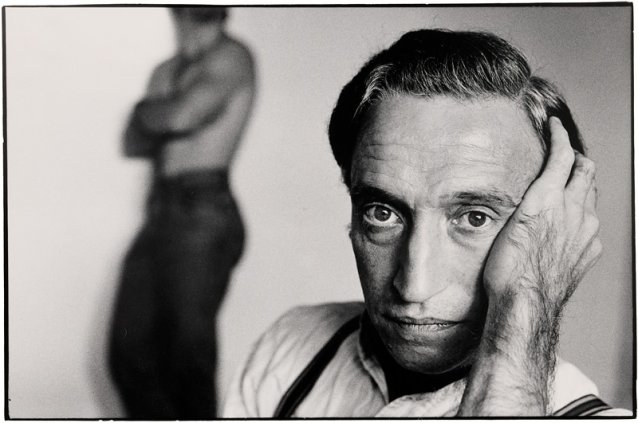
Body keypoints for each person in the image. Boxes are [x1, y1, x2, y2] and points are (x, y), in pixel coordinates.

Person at [223, 29, 630, 417]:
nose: (413, 286)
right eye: (382, 213)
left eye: (474, 218)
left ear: (557, 226)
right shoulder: (292, 349)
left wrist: (529, 300)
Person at [109, 6, 255, 419]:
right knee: (128, 351)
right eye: (186, 19)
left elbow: (181, 116)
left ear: (219, 18)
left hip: (203, 209)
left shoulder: (232, 56)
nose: (193, 31)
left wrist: (148, 111)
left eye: (204, 21)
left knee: (186, 358)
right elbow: (133, 143)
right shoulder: (167, 70)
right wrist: (161, 116)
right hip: (160, 212)